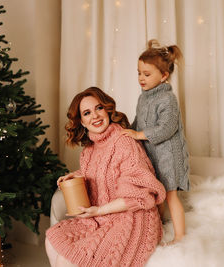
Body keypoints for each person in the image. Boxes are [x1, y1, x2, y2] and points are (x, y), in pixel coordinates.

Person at [45, 87, 166, 267]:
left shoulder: (124, 141)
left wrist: (99, 211)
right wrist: (75, 176)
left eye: (99, 108)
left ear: (107, 110)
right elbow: (100, 174)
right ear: (82, 122)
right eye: (87, 113)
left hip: (132, 218)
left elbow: (139, 195)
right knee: (52, 239)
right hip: (101, 217)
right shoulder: (89, 150)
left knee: (66, 259)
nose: (95, 116)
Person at [121, 39, 189, 245]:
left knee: (170, 195)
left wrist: (138, 135)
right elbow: (138, 122)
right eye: (139, 73)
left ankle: (180, 236)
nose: (141, 78)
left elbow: (166, 128)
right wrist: (128, 131)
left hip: (169, 156)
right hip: (153, 155)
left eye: (147, 74)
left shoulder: (168, 99)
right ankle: (156, 228)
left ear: (164, 76)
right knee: (156, 193)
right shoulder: (143, 98)